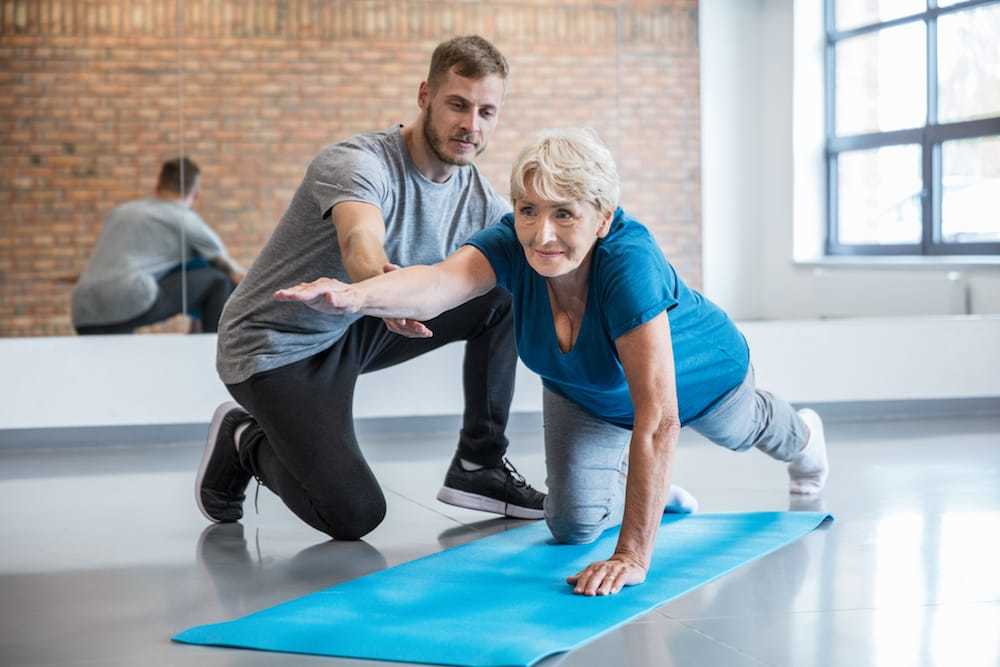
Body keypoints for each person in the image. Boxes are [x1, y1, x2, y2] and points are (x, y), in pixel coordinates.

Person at [274, 128, 830, 596]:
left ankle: (804, 436)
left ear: (602, 218)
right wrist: (358, 295)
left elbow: (659, 419)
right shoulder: (511, 244)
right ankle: (657, 491)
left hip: (700, 381)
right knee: (570, 527)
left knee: (741, 431)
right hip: (584, 389)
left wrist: (633, 555)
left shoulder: (629, 265)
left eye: (564, 214)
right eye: (528, 210)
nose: (542, 234)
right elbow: (440, 284)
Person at [197, 35, 545, 540]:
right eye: (458, 105)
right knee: (354, 515)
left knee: (506, 289)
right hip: (275, 347)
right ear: (425, 96)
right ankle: (244, 438)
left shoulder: (479, 201)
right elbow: (361, 237)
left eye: (487, 112)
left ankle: (479, 465)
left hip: (354, 329)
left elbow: (540, 255)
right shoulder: (358, 163)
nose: (471, 125)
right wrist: (368, 289)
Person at [72, 158, 244, 335]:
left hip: (83, 310)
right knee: (218, 281)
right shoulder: (183, 217)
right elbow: (231, 272)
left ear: (158, 185)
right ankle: (212, 352)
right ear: (195, 194)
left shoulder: (122, 211)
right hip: (126, 302)